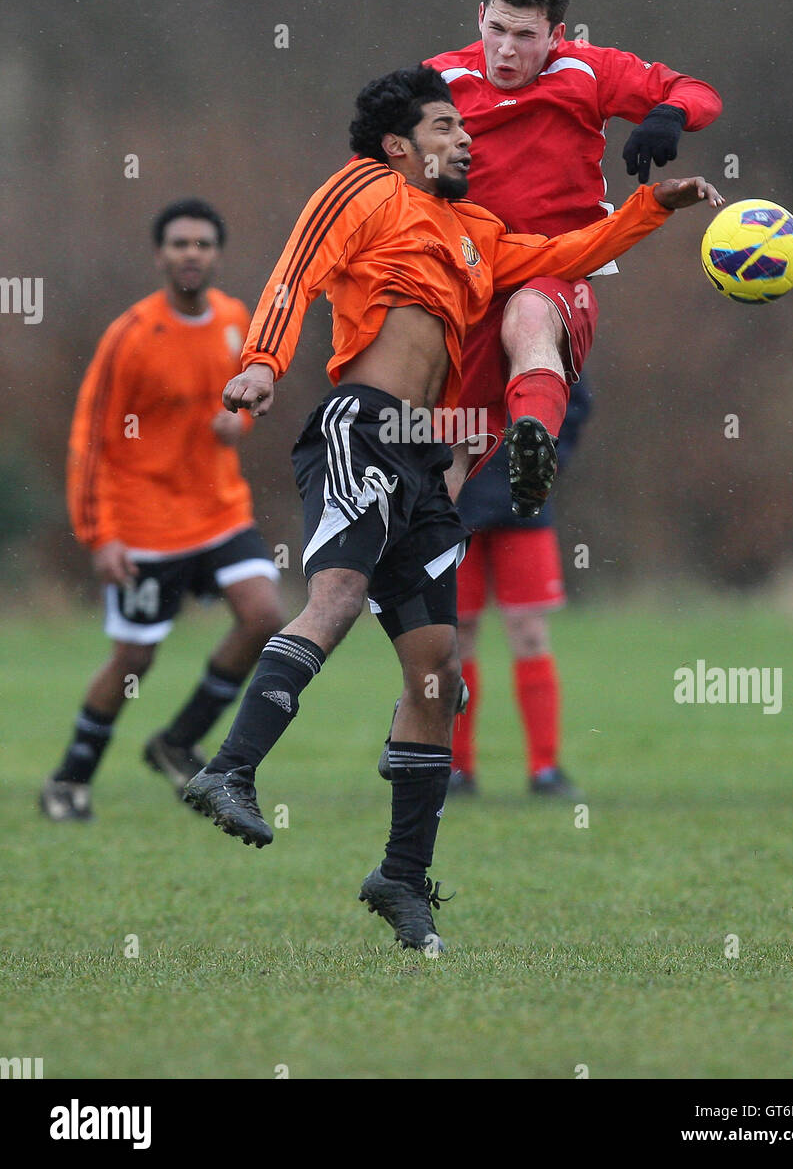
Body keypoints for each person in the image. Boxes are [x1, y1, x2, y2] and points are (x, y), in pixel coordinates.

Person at [182, 64, 724, 953]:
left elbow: (561, 257)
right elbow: (295, 266)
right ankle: (229, 770)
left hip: (425, 463)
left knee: (440, 677)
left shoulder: (477, 229)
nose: (466, 137)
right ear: (401, 145)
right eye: (446, 126)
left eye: (465, 128)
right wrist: (263, 361)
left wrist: (649, 212)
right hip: (359, 426)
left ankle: (401, 875)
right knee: (338, 599)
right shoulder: (364, 187)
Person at [426, 0, 722, 515]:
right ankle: (414, 583)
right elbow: (375, 160)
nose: (507, 50)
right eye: (496, 30)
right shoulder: (437, 80)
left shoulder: (588, 71)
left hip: (559, 271)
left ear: (556, 34)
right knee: (447, 460)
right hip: (466, 286)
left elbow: (698, 92)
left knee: (531, 312)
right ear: (479, 17)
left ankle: (533, 439)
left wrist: (669, 115)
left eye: (524, 35)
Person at [40, 199, 284, 822]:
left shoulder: (235, 319)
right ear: (160, 255)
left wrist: (242, 419)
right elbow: (89, 440)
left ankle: (178, 741)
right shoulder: (130, 336)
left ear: (217, 254)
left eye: (202, 243)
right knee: (134, 659)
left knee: (264, 617)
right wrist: (101, 535)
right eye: (179, 244)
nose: (191, 254)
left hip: (221, 511)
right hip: (145, 522)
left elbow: (249, 396)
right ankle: (69, 780)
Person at [452, 385, 591, 798]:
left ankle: (544, 769)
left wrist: (548, 461)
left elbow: (575, 398)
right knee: (455, 635)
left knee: (530, 633)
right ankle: (457, 769)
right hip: (453, 507)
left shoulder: (537, 321)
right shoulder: (448, 322)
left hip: (524, 507)